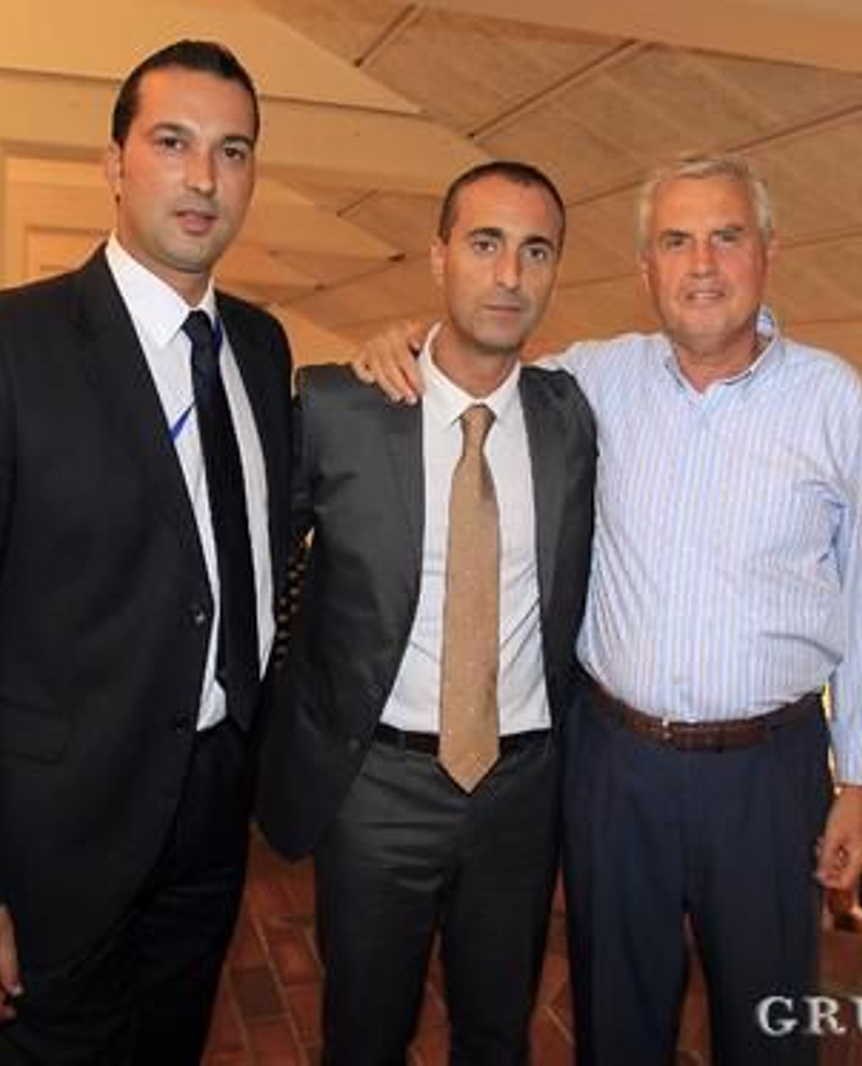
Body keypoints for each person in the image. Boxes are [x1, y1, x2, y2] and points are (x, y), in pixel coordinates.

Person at [357, 151, 862, 1065]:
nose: (702, 265)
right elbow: (480, 359)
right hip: (614, 770)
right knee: (615, 1024)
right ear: (644, 269)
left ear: (768, 251)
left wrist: (860, 780)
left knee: (769, 1031)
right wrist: (401, 341)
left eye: (726, 238)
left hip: (769, 776)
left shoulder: (831, 398)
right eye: (675, 241)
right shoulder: (592, 382)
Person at [0, 40, 292, 1063]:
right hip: (56, 837)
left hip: (210, 811)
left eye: (232, 151)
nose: (204, 178)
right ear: (113, 164)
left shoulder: (259, 344)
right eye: (172, 142)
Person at [256, 162, 595, 1063]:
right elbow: (252, 564)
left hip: (523, 794)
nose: (509, 276)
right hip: (377, 788)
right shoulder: (337, 407)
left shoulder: (575, 416)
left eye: (535, 251)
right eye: (485, 244)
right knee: (363, 1036)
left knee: (497, 1034)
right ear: (439, 255)